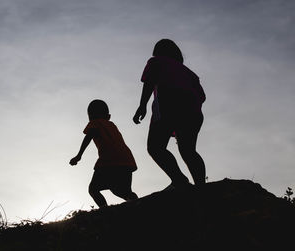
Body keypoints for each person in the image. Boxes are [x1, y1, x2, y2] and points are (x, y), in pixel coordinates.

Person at [133, 39, 206, 189]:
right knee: (188, 150)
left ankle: (179, 180)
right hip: (193, 112)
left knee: (155, 147)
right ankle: (201, 186)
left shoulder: (156, 62)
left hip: (169, 106)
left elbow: (149, 82)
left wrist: (142, 106)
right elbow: (202, 96)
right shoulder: (190, 73)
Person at [70, 99, 138, 207]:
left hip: (109, 159)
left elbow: (89, 136)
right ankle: (135, 202)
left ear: (90, 116)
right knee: (122, 191)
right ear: (108, 116)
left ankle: (105, 211)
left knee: (93, 189)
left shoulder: (94, 123)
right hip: (126, 159)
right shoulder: (112, 125)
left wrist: (79, 155)